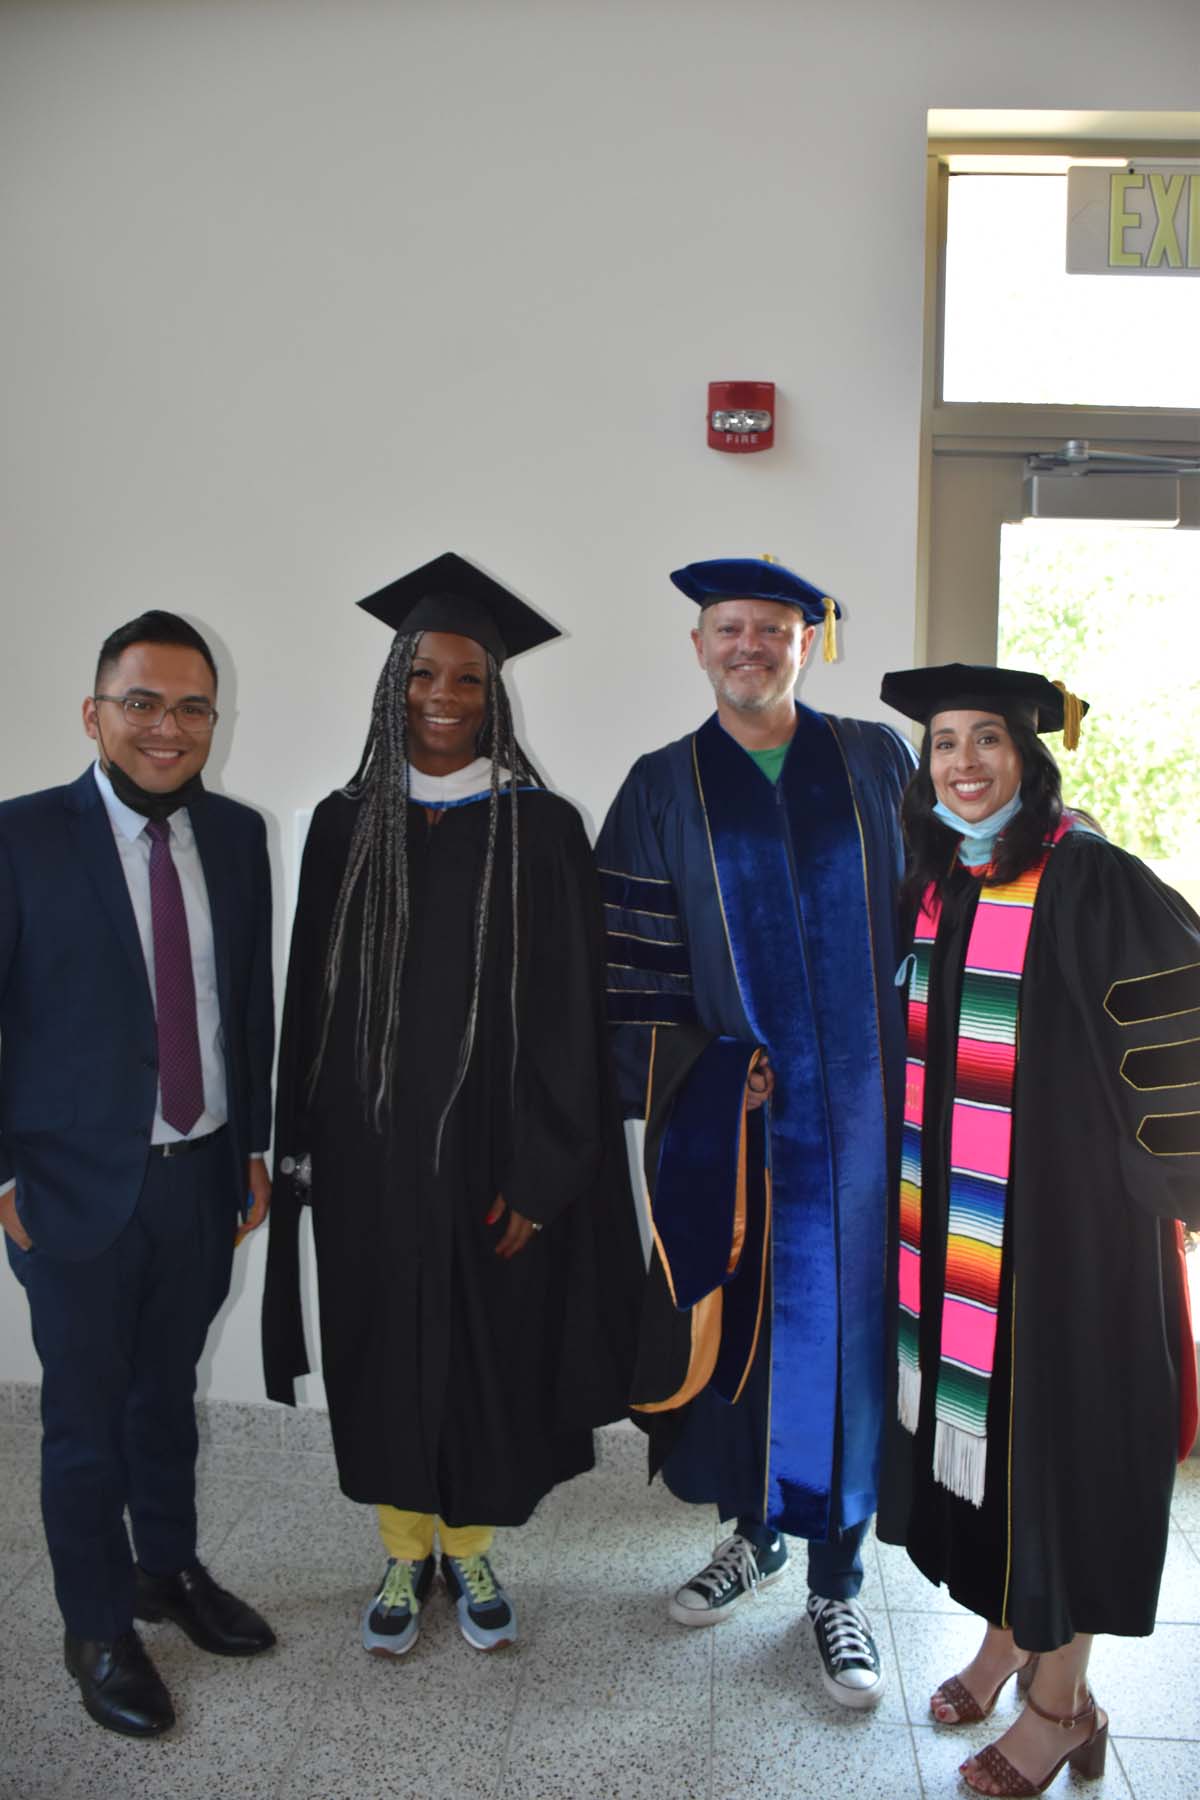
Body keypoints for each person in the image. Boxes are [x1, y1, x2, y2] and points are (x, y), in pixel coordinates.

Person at [262, 551, 640, 1658]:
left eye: (466, 678)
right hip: (368, 1158)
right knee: (379, 1342)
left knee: (490, 1350)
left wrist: (545, 1168)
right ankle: (398, 1544)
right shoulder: (345, 826)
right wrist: (302, 1153)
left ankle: (467, 1541)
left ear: (495, 693)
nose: (441, 697)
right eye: (422, 674)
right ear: (392, 684)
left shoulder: (543, 829)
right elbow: (306, 1005)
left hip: (491, 1160)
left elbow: (576, 1015)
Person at [594, 555, 913, 1708]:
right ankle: (751, 1533)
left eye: (772, 628)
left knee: (849, 1345)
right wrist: (706, 1076)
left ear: (807, 643)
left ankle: (839, 1579)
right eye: (728, 628)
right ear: (698, 646)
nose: (749, 645)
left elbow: (941, 915)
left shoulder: (876, 760)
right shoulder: (661, 784)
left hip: (874, 1136)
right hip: (738, 1133)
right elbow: (631, 973)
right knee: (739, 1336)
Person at [876, 663, 1199, 1797]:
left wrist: (1158, 1192)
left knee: (1061, 1464)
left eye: (988, 743)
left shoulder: (1089, 875)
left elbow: (1178, 1040)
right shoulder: (943, 882)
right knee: (992, 1457)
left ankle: (1062, 1705)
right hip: (966, 1246)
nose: (963, 763)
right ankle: (1008, 1638)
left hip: (1072, 1252)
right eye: (944, 744)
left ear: (1029, 759)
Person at [0, 611, 277, 1739]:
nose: (168, 728)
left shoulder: (239, 833)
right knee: (86, 1420)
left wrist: (252, 1145)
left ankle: (166, 1570)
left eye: (192, 706)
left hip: (202, 1176)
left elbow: (244, 1004)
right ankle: (97, 1625)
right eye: (144, 703)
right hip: (72, 1188)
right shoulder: (22, 838)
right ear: (94, 713)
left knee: (169, 1399)